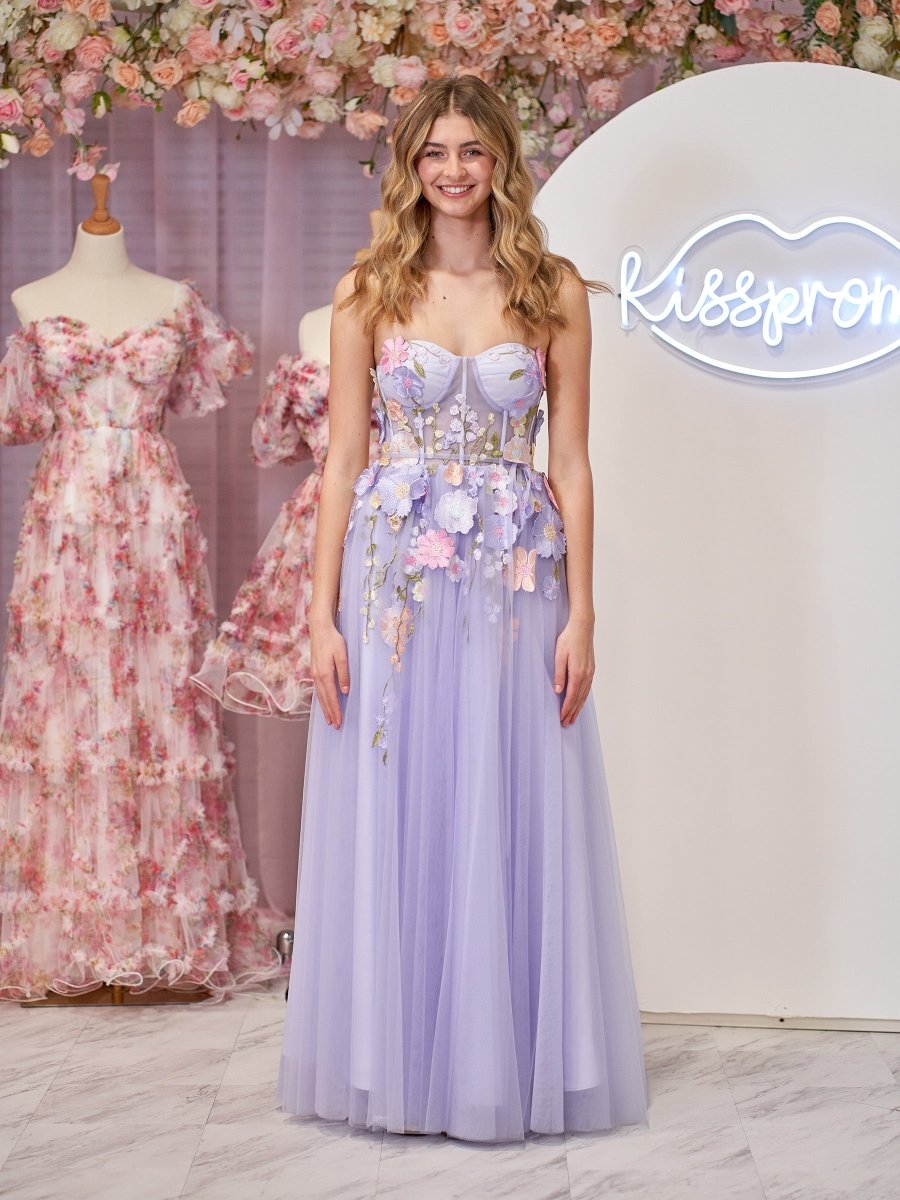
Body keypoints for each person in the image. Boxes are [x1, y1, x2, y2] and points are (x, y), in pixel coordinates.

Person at [277, 75, 649, 1142]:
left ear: (502, 163)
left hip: (515, 579)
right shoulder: (369, 288)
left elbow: (570, 465)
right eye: (434, 152)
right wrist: (319, 615)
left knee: (502, 789)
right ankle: (396, 1061)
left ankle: (502, 1063)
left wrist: (585, 614)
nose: (453, 171)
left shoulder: (552, 288)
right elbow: (342, 461)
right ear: (410, 165)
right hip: (393, 581)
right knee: (402, 797)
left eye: (472, 152)